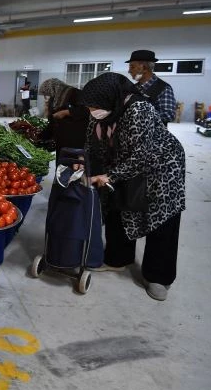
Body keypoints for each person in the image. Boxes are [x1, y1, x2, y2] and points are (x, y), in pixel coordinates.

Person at [80, 72, 185, 301]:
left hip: (162, 167)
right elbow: (90, 143)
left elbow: (141, 156)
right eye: (89, 106)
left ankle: (158, 277)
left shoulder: (139, 109)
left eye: (94, 106)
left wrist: (109, 175)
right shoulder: (101, 112)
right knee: (117, 206)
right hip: (121, 163)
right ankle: (118, 258)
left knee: (160, 217)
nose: (92, 110)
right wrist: (83, 162)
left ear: (110, 98)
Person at [38, 78, 90, 163]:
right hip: (61, 139)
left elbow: (86, 111)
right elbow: (53, 120)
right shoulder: (55, 99)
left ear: (54, 88)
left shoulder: (75, 93)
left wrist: (66, 112)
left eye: (47, 94)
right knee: (61, 163)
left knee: (73, 163)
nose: (46, 97)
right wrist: (41, 136)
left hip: (75, 138)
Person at [126, 49, 176, 125]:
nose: (129, 71)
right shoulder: (132, 88)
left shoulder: (163, 88)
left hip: (153, 132)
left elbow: (169, 115)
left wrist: (141, 116)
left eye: (132, 67)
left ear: (144, 68)